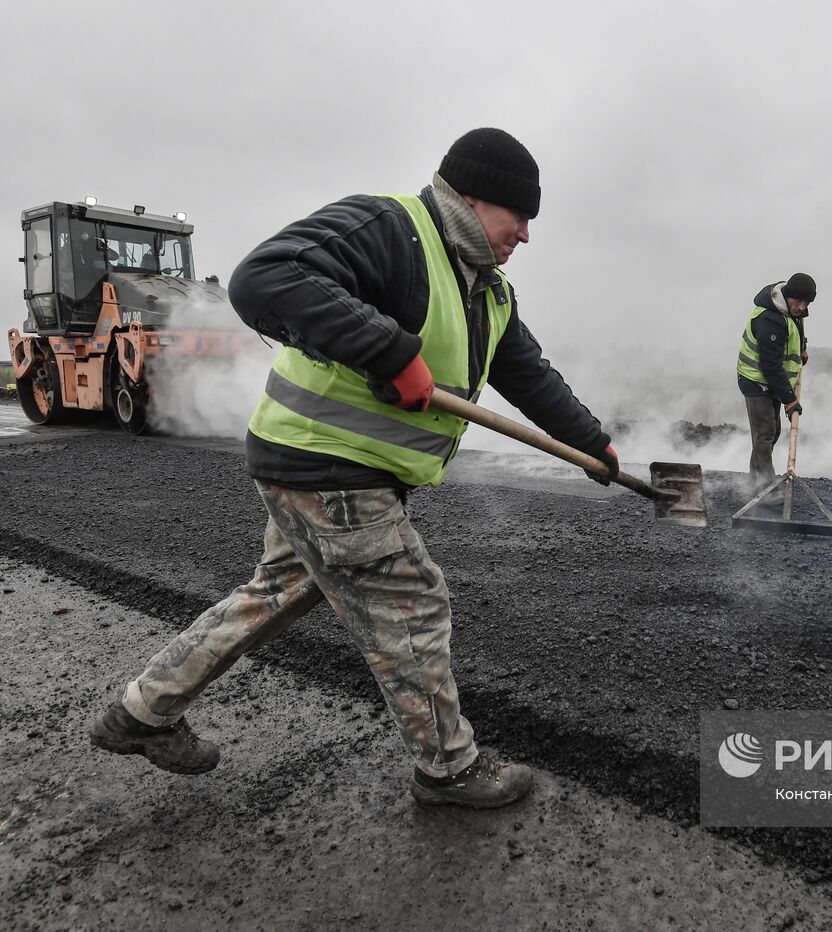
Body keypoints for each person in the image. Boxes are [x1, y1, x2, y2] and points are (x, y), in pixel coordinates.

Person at [88, 127, 620, 810]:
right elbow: (263, 278)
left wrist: (594, 445)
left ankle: (139, 713)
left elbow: (530, 375)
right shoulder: (390, 229)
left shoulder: (487, 291)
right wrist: (388, 351)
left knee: (278, 592)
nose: (525, 233)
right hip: (327, 465)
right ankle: (449, 770)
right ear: (475, 198)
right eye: (518, 216)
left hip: (326, 465)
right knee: (412, 600)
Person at [736, 273, 814, 498]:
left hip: (770, 382)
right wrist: (790, 400)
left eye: (807, 302)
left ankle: (754, 480)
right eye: (799, 301)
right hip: (755, 380)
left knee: (772, 431)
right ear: (788, 296)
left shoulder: (792, 310)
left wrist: (802, 348)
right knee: (764, 434)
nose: (803, 307)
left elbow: (798, 325)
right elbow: (771, 367)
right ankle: (765, 488)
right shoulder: (769, 320)